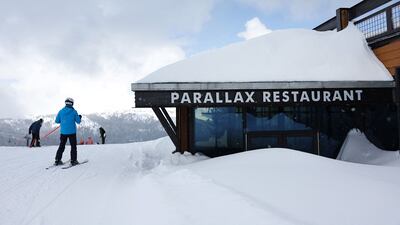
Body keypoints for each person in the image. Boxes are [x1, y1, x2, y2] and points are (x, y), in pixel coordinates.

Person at [54, 98, 81, 166]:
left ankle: (57, 160)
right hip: (72, 132)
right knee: (73, 146)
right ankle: (73, 160)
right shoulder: (74, 111)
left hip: (63, 132)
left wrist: (63, 120)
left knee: (62, 146)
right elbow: (78, 121)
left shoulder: (61, 111)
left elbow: (57, 121)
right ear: (72, 103)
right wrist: (79, 117)